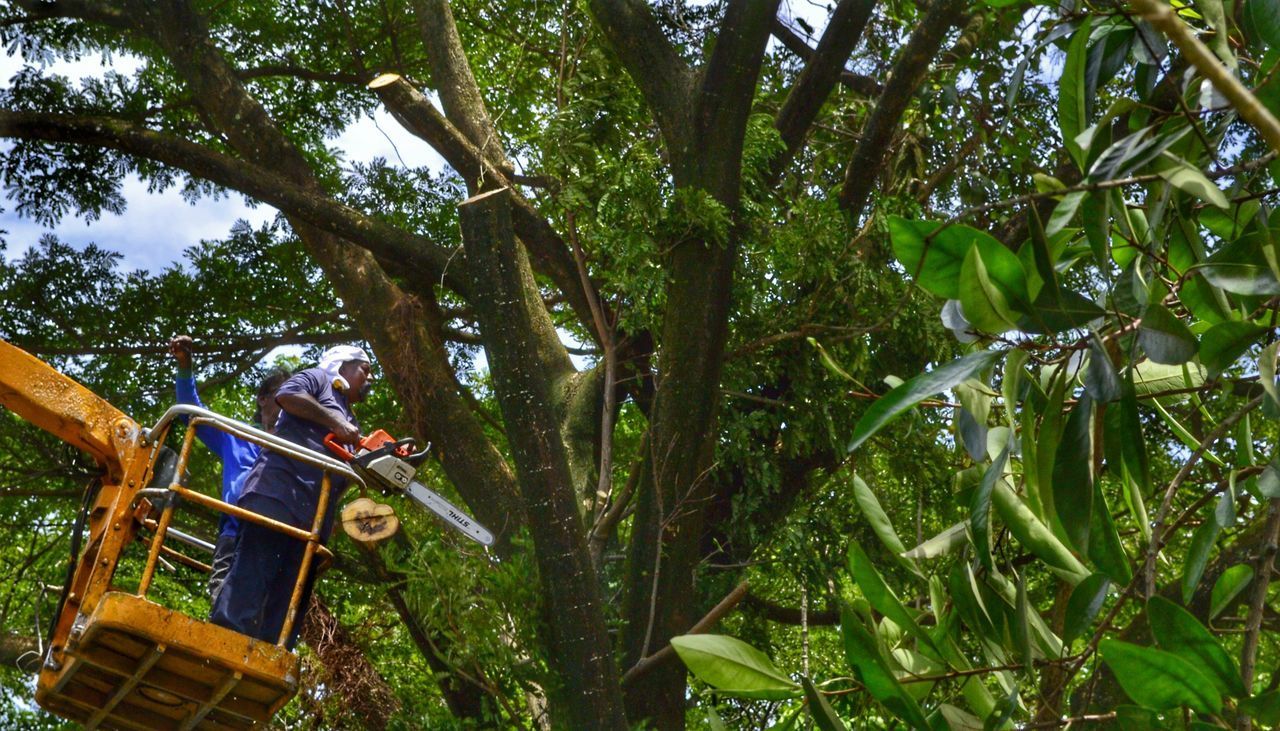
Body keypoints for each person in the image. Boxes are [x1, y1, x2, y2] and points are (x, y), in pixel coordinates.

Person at [210, 345, 373, 648]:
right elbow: (287, 395)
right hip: (276, 494)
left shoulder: (352, 421)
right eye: (365, 369)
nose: (370, 377)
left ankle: (270, 655)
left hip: (312, 517)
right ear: (343, 366)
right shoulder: (317, 380)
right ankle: (221, 646)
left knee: (288, 600)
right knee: (251, 578)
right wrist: (336, 424)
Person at [169, 335, 288, 602]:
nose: (286, 404)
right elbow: (191, 412)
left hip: (278, 540)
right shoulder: (238, 435)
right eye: (281, 395)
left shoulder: (298, 449)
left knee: (266, 615)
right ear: (263, 400)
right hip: (235, 534)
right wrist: (185, 366)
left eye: (292, 398)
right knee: (223, 603)